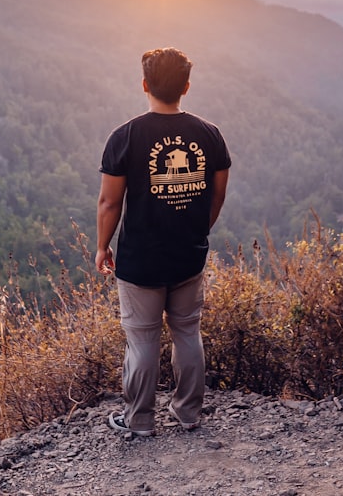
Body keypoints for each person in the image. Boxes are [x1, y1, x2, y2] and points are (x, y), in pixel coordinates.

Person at [96, 47, 231, 437]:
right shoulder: (209, 135)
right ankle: (188, 413)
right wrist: (197, 230)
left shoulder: (125, 137)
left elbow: (109, 202)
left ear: (144, 85)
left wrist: (103, 246)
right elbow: (217, 194)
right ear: (186, 87)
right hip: (188, 255)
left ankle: (139, 420)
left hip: (140, 261)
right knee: (188, 332)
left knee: (142, 340)